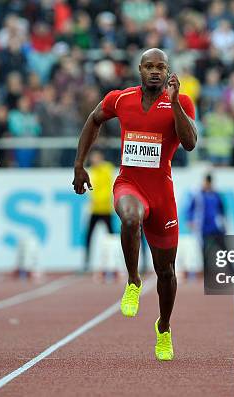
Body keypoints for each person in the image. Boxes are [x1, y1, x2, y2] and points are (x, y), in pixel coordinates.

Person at [73, 48, 197, 361]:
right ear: (140, 69)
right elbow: (93, 119)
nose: (155, 72)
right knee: (129, 218)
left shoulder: (180, 101)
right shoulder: (121, 98)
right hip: (130, 184)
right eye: (149, 66)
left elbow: (190, 143)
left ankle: (164, 328)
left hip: (162, 194)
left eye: (161, 67)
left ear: (168, 70)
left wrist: (175, 102)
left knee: (166, 271)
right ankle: (132, 280)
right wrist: (79, 164)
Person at [186, 173, 228, 275]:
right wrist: (190, 220)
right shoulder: (199, 195)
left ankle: (232, 270)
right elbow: (190, 209)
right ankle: (207, 272)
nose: (206, 184)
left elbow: (222, 210)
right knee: (204, 251)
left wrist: (223, 222)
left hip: (216, 227)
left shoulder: (216, 194)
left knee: (224, 249)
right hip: (204, 227)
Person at [84, 150, 115, 272]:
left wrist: (97, 199)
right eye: (93, 158)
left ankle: (115, 261)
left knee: (112, 237)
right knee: (88, 236)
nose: (94, 160)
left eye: (96, 157)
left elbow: (108, 188)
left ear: (101, 157)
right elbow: (91, 189)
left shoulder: (107, 168)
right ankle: (86, 262)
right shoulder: (91, 171)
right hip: (95, 209)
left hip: (106, 209)